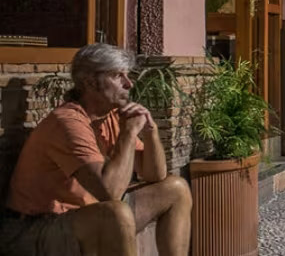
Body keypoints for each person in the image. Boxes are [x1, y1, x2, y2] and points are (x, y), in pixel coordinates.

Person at [1, 44, 192, 256]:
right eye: (117, 76)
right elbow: (110, 192)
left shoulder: (110, 116)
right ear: (89, 82)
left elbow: (156, 174)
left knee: (176, 188)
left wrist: (150, 130)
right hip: (34, 228)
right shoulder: (68, 122)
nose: (128, 84)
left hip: (85, 214)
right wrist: (128, 134)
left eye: (127, 75)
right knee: (115, 213)